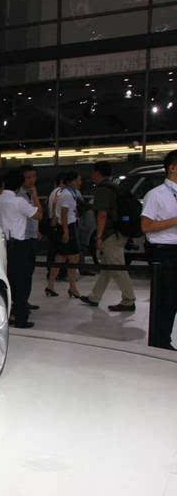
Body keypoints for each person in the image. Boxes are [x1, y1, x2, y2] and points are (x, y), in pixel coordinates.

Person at [80, 161, 137, 311]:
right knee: (107, 267)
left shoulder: (103, 190)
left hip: (111, 234)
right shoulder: (114, 187)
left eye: (93, 172)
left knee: (117, 268)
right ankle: (95, 297)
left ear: (97, 173)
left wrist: (98, 237)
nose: (91, 175)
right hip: (119, 231)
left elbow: (102, 215)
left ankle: (129, 300)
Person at [0, 168, 42, 328]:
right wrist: (35, 196)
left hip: (0, 245)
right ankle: (21, 317)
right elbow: (38, 215)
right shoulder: (18, 201)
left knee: (6, 280)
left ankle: (4, 315)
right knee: (21, 282)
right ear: (19, 184)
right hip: (18, 245)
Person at [140, 149, 177, 350]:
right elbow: (146, 226)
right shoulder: (155, 195)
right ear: (172, 168)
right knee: (165, 300)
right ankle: (160, 343)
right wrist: (174, 221)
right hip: (164, 252)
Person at [46, 171, 82, 298]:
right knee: (73, 258)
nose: (80, 182)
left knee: (61, 257)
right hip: (68, 227)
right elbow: (64, 214)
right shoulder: (67, 194)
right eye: (78, 180)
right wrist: (66, 231)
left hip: (64, 227)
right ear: (71, 181)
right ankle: (72, 287)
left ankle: (51, 285)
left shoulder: (65, 192)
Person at [18, 165, 42, 312]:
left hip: (32, 235)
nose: (31, 180)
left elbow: (38, 214)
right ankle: (20, 303)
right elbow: (38, 214)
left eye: (33, 176)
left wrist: (36, 230)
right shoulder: (18, 196)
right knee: (23, 274)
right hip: (22, 238)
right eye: (28, 177)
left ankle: (25, 301)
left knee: (29, 272)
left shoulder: (32, 194)